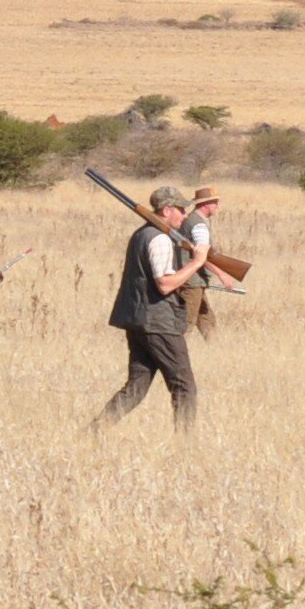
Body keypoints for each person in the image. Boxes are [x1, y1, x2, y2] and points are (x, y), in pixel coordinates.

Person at [97, 184, 206, 431]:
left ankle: (95, 431)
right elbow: (165, 284)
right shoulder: (159, 239)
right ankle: (186, 446)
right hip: (159, 322)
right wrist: (196, 263)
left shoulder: (141, 234)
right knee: (184, 385)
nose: (185, 214)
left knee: (137, 385)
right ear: (167, 211)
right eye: (181, 209)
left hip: (139, 320)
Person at [181, 188, 229, 333]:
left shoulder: (192, 220)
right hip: (192, 280)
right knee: (186, 322)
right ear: (205, 204)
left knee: (206, 318)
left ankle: (215, 351)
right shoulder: (198, 225)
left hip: (194, 278)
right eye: (214, 202)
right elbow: (202, 255)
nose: (217, 206)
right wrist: (222, 274)